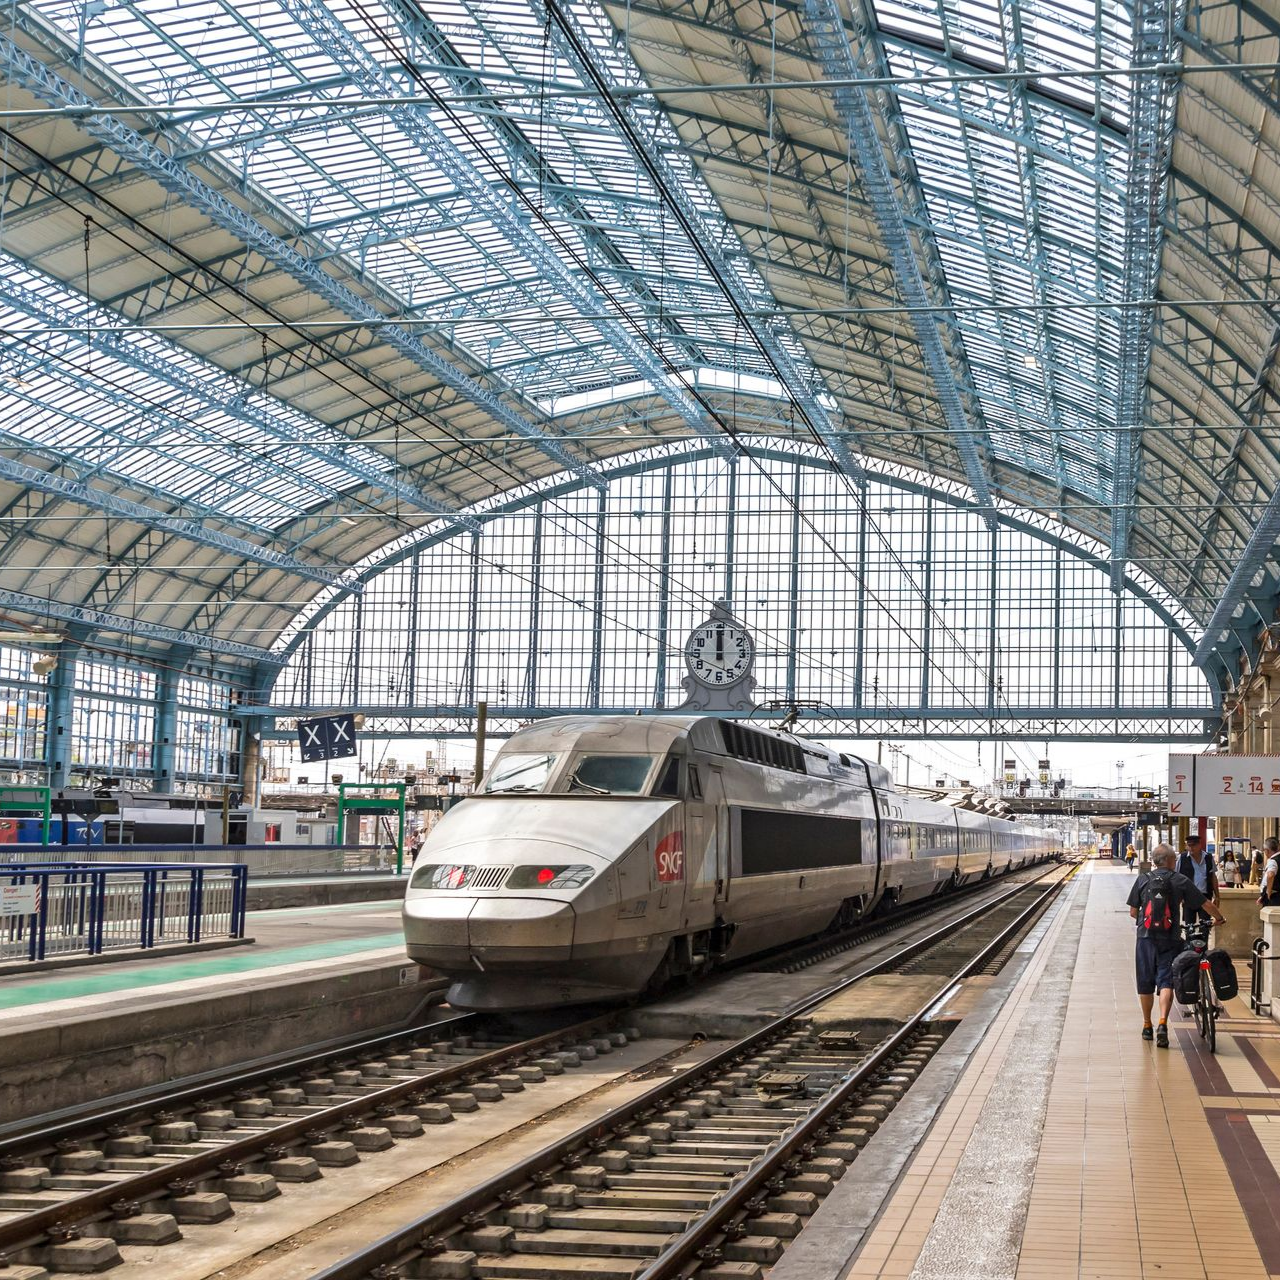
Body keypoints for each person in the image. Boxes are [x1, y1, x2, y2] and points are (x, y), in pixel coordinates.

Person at [1128, 845, 1225, 1047]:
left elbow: (1133, 912)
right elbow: (1204, 903)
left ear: (1155, 861)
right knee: (1166, 982)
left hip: (1145, 939)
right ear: (1172, 861)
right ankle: (1163, 1022)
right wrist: (1219, 917)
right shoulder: (1179, 880)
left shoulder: (1143, 879)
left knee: (1145, 983)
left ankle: (1147, 1025)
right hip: (1170, 939)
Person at [1176, 833, 1218, 926]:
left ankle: (1204, 940)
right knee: (1189, 927)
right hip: (1188, 897)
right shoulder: (1181, 858)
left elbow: (1213, 877)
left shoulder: (1208, 858)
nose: (1191, 848)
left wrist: (1217, 895)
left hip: (1205, 897)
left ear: (1199, 845)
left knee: (1205, 926)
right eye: (1188, 845)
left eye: (1193, 845)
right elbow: (1176, 878)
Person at [1259, 836, 1280, 905]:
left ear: (1267, 850)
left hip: (1274, 897)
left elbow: (1270, 875)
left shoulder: (1273, 861)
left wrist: (1268, 892)